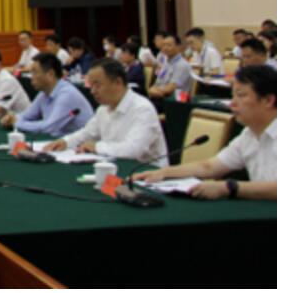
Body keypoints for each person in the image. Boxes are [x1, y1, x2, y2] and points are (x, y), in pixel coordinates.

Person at [134, 65, 275, 200]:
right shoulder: (249, 134)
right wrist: (164, 172)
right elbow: (209, 167)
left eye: (241, 95)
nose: (232, 104)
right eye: (233, 96)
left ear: (268, 100)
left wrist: (229, 188)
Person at [43, 58, 168, 165]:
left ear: (118, 82)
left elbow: (133, 150)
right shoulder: (103, 109)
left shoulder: (142, 109)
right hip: (114, 167)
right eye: (91, 85)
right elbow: (87, 133)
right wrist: (66, 141)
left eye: (97, 85)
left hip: (148, 174)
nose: (93, 91)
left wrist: (96, 147)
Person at [1, 53, 93, 136]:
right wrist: (12, 118)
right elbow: (27, 115)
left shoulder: (67, 94)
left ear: (50, 74)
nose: (31, 77)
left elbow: (49, 127)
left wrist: (17, 123)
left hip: (80, 144)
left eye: (35, 72)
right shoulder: (44, 92)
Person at [148, 32, 193, 99]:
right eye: (163, 45)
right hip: (162, 97)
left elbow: (170, 89)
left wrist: (154, 90)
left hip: (179, 100)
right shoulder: (165, 63)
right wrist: (153, 90)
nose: (165, 48)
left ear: (178, 46)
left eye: (169, 45)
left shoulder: (182, 65)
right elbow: (157, 83)